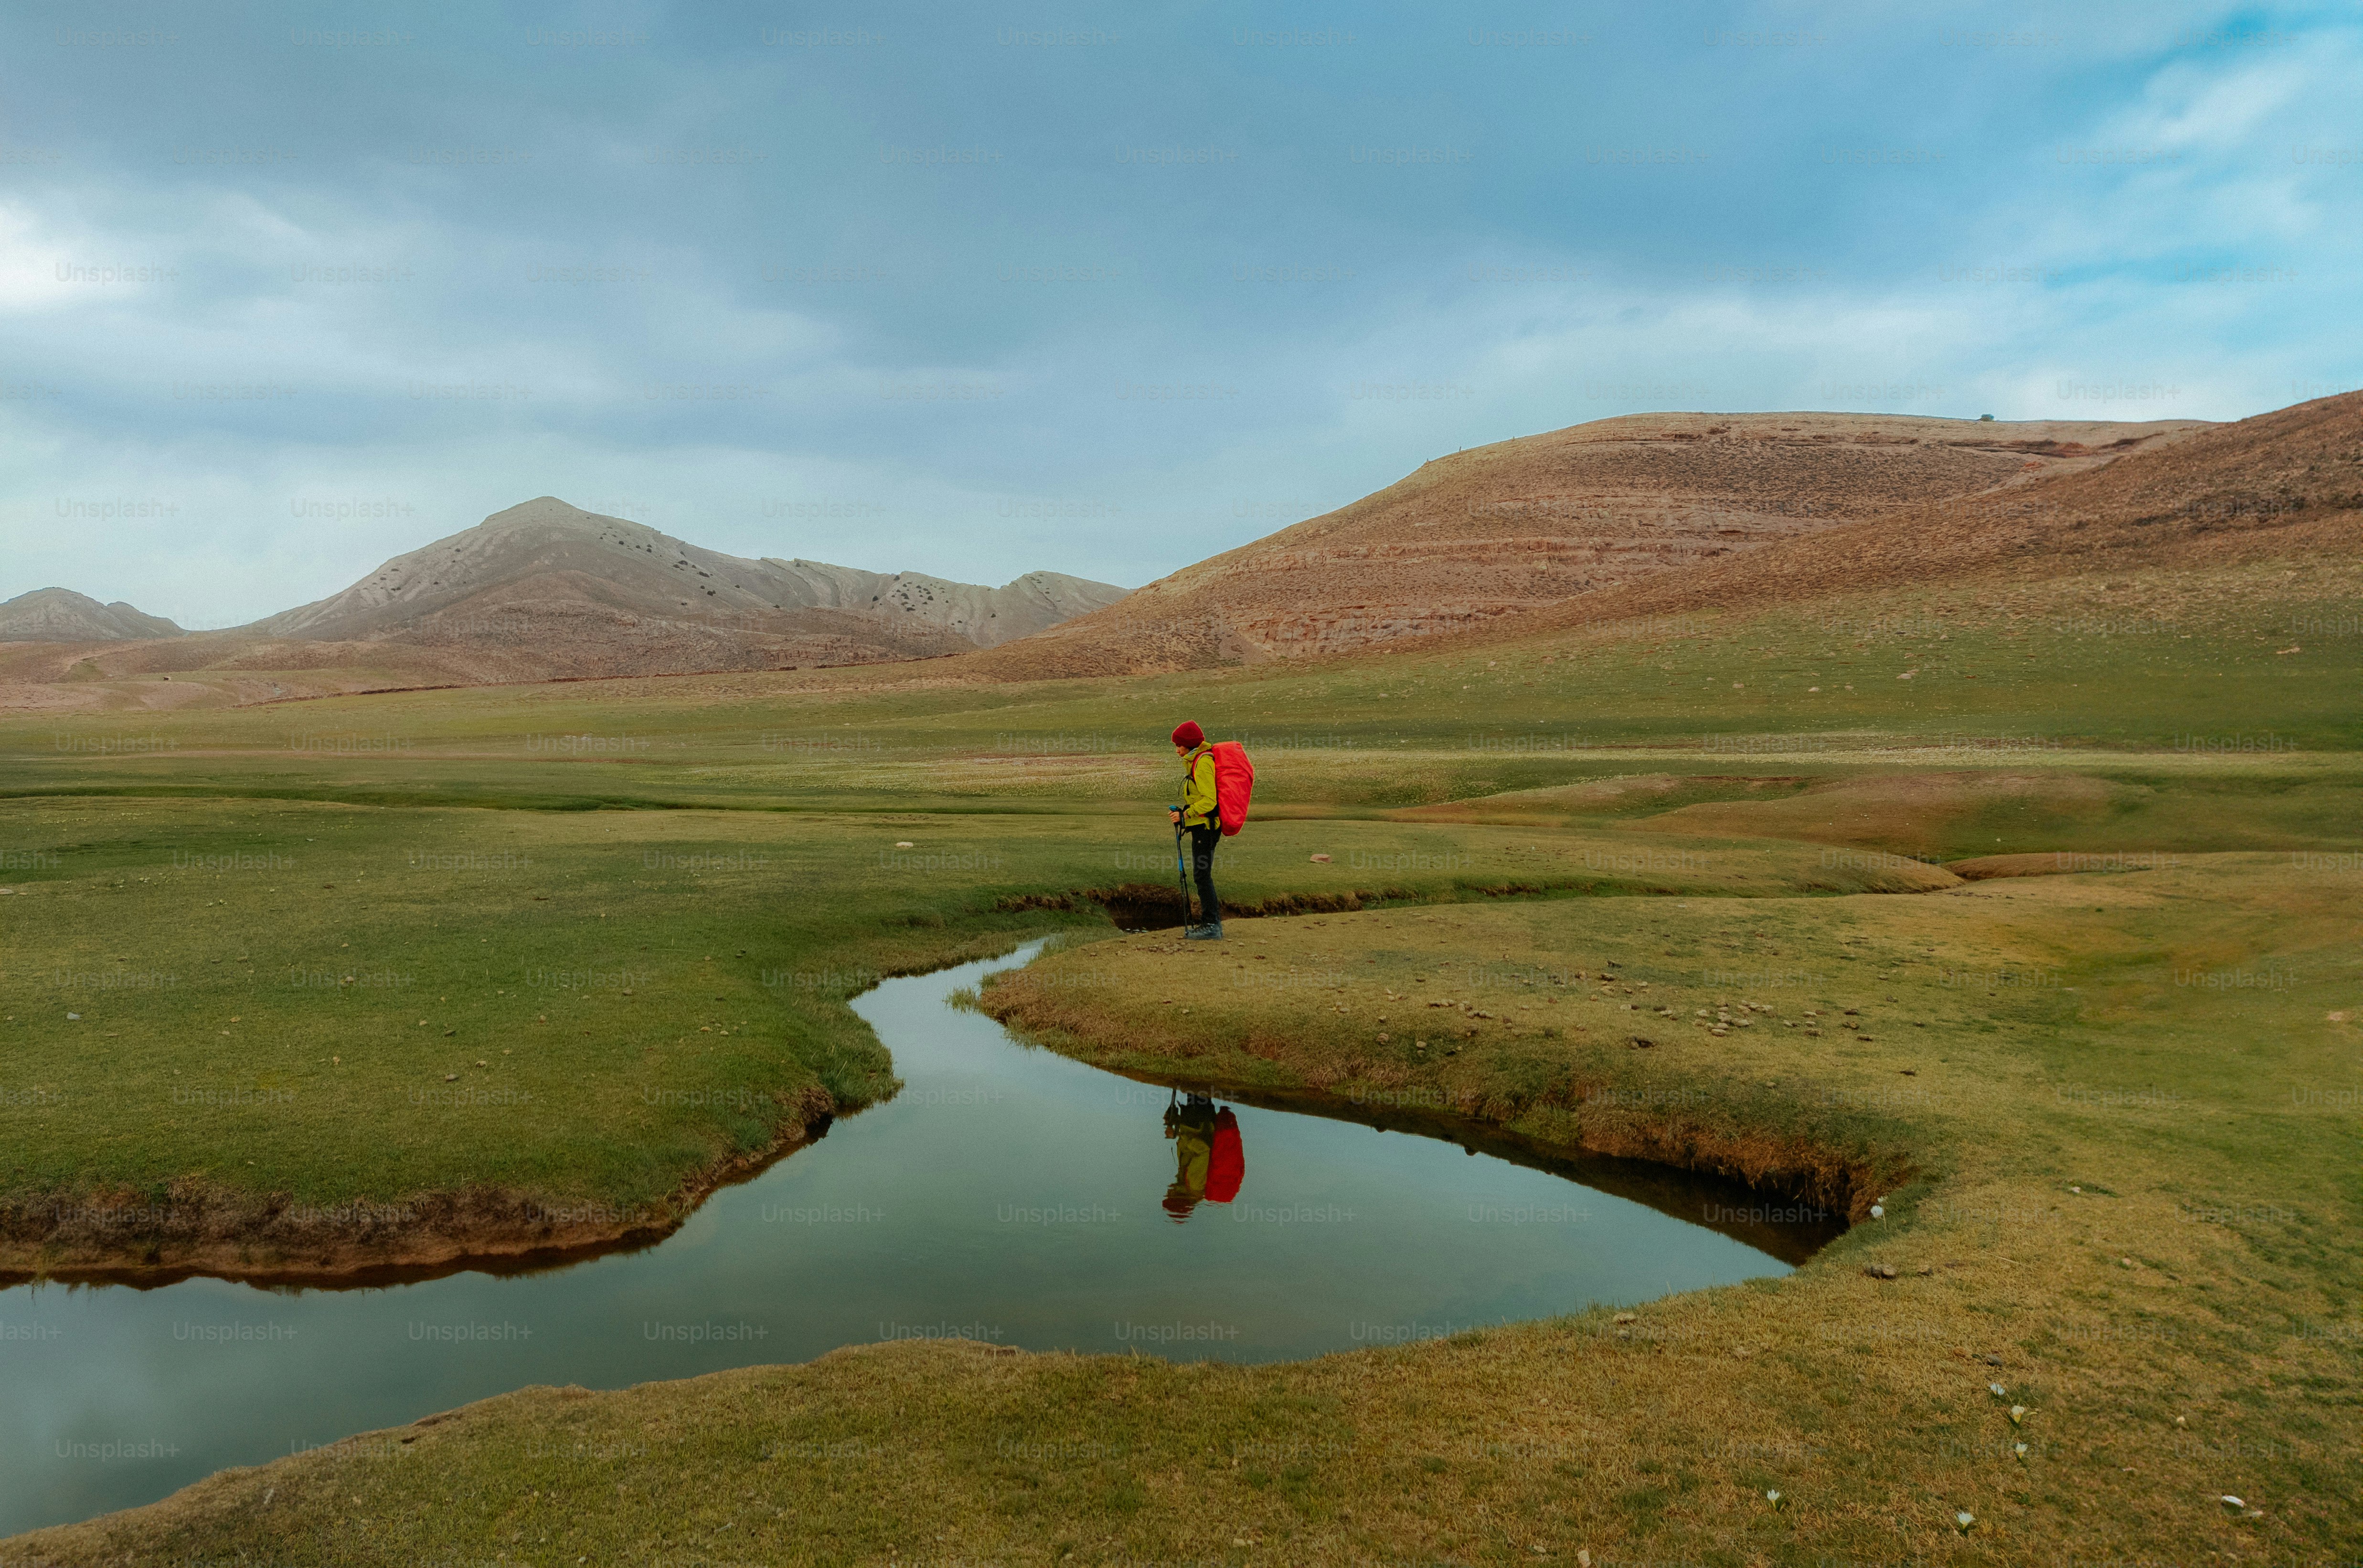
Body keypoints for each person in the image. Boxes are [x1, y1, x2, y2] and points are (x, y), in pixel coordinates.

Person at [1168, 720, 1223, 940]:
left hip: (1206, 828)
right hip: (1202, 826)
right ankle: (1211, 924)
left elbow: (1210, 801)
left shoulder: (1202, 763)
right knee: (1202, 874)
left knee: (1202, 875)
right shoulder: (1196, 761)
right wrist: (1184, 813)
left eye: (1179, 745)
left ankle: (1212, 926)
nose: (1177, 750)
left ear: (1190, 745)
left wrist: (1186, 815)